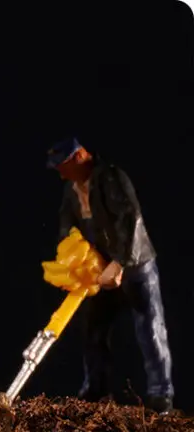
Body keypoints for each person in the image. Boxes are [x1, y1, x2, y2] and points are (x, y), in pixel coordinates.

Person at [47, 138, 174, 414]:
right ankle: (96, 389)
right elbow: (67, 226)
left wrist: (119, 264)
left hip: (134, 265)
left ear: (79, 156)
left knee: (150, 328)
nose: (60, 173)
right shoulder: (72, 190)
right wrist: (70, 258)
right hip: (98, 271)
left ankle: (160, 393)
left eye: (64, 165)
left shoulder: (111, 178)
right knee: (93, 332)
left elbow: (129, 219)